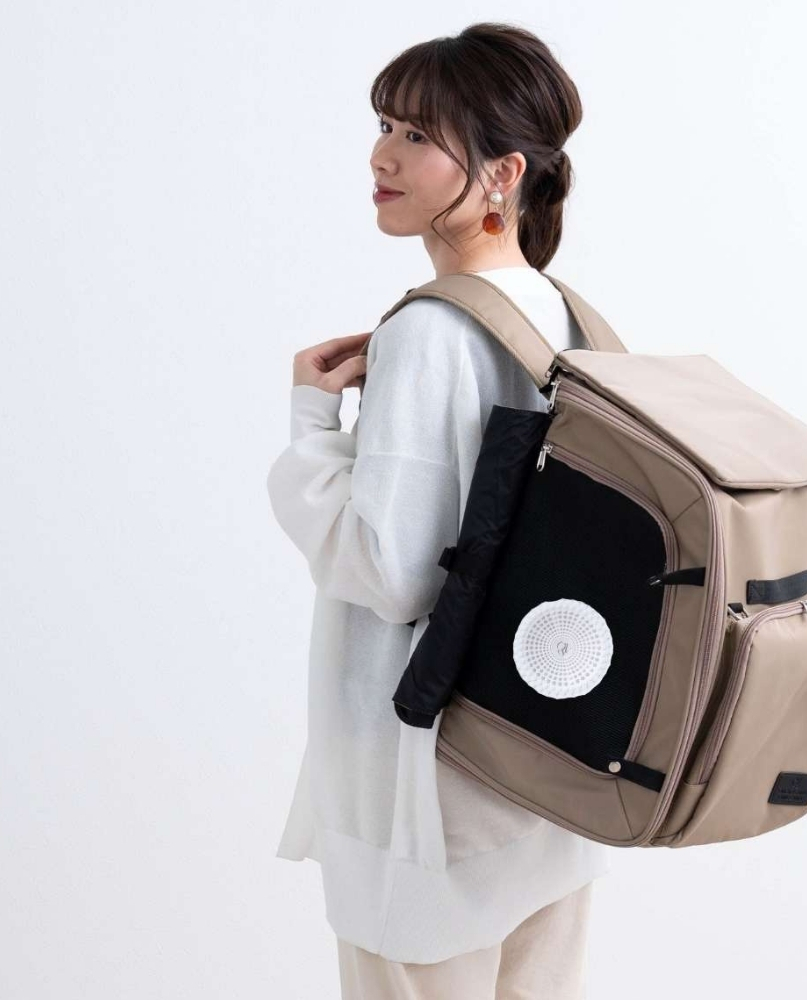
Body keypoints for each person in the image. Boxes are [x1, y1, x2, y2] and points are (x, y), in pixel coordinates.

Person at [266, 22, 611, 999]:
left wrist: (310, 424)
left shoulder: (429, 330)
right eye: (385, 125)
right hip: (547, 769)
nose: (382, 156)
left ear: (502, 173)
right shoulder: (562, 313)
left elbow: (389, 571)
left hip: (427, 790)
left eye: (418, 135)